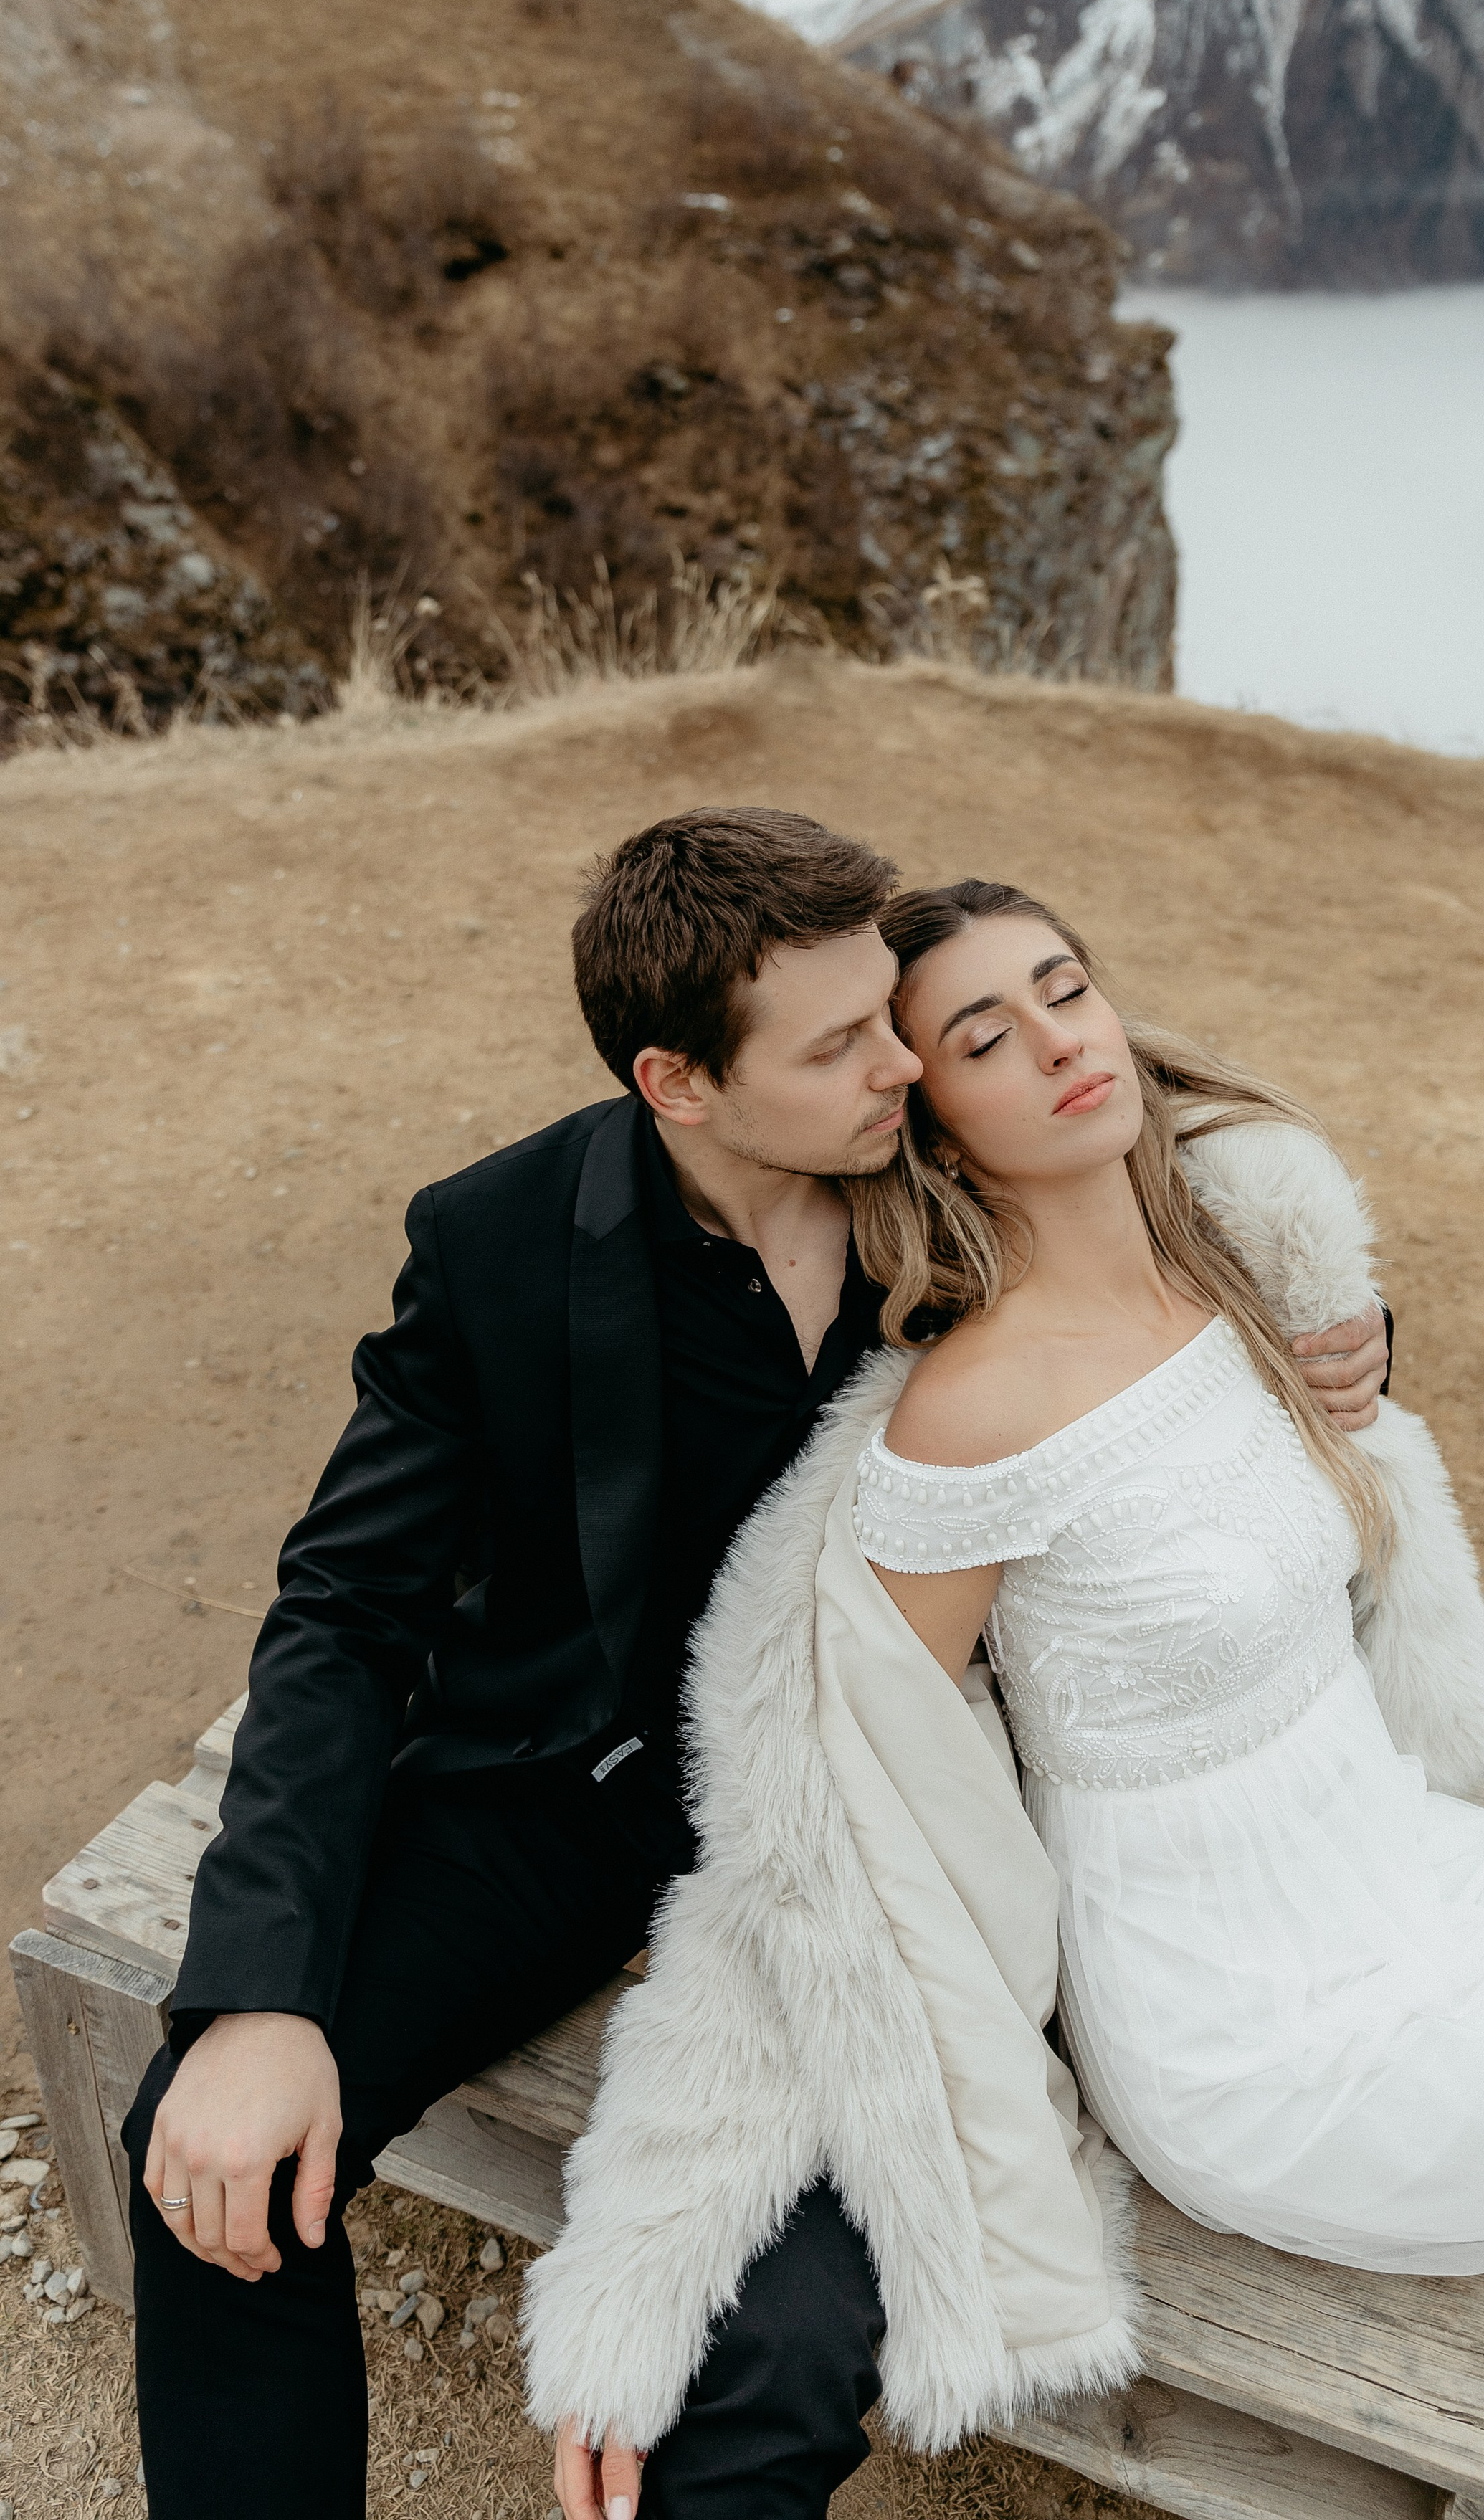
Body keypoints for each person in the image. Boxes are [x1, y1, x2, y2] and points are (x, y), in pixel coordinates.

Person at [123, 814, 1389, 2520]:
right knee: (207, 2158)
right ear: (678, 1083)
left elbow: (1181, 1238)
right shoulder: (496, 1241)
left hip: (894, 1827)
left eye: (891, 1014)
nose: (903, 1063)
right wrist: (261, 1997)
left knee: (775, 2352)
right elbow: (345, 1611)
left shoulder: (951, 1176)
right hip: (557, 1799)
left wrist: (1352, 1336)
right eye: (839, 1045)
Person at [525, 879, 1484, 2520]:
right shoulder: (968, 1416)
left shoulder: (1232, 1280)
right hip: (1261, 2037)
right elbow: (818, 1829)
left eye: (1064, 987)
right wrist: (640, 2275)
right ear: (932, 1122)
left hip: (1422, 1880)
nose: (1059, 1040)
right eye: (983, 1035)